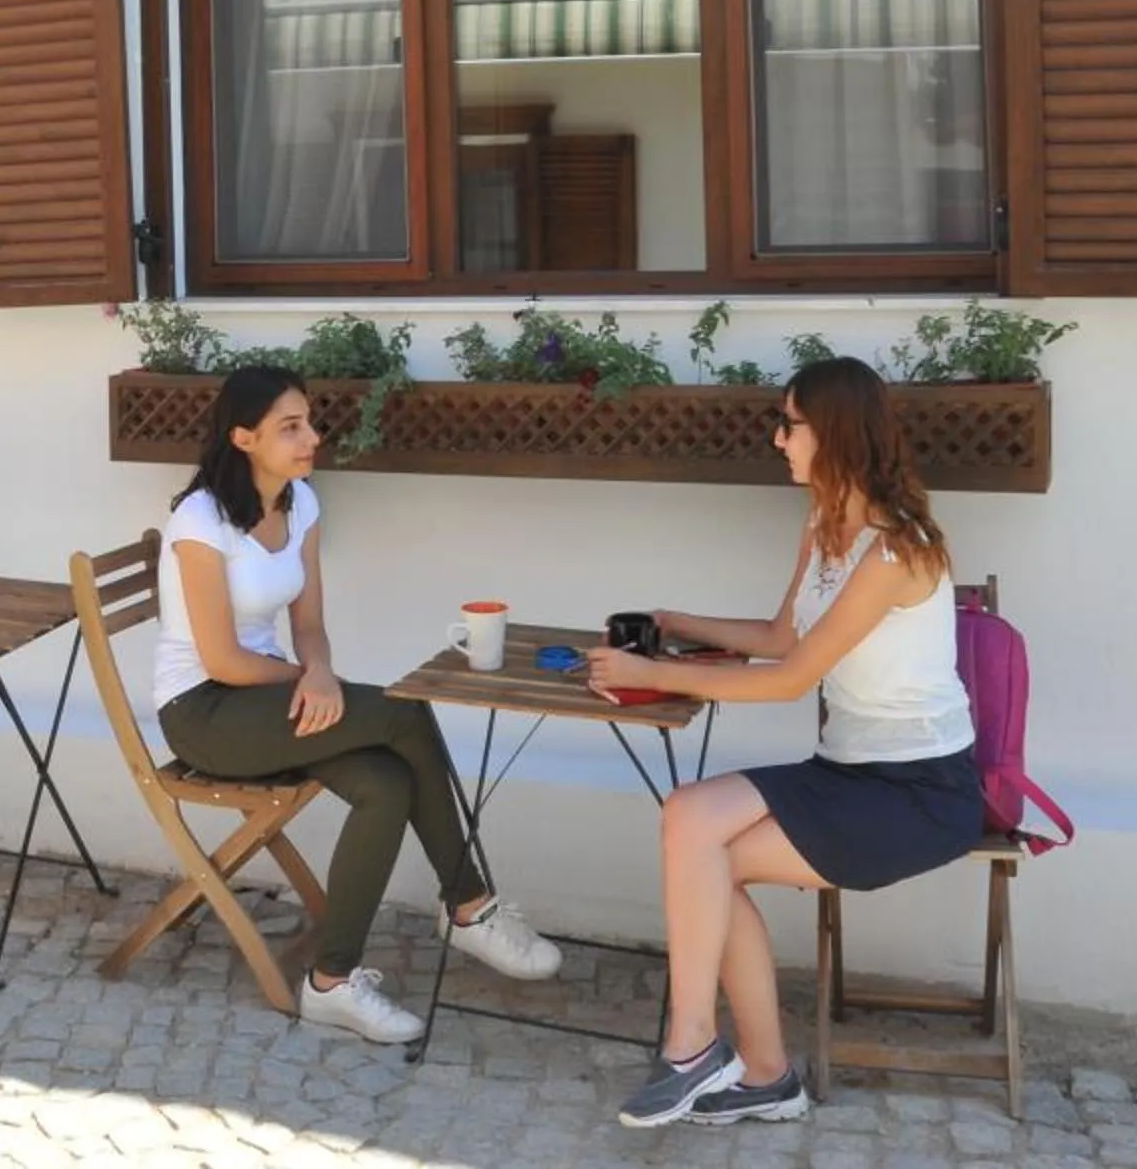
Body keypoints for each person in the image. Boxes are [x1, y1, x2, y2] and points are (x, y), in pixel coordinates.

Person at [583, 356, 983, 1128]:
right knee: (689, 816)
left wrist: (652, 670)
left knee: (708, 857)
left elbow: (791, 677)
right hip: (846, 771)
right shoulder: (826, 526)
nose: (777, 439)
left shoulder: (898, 550)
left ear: (832, 434)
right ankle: (741, 1068)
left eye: (789, 424)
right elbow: (781, 635)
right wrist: (678, 627)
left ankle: (709, 1055)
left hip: (919, 792)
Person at [153, 364, 563, 1042]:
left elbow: (309, 623)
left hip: (275, 698)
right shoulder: (199, 522)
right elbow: (221, 659)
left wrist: (317, 671)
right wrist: (306, 680)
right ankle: (468, 904)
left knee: (387, 781)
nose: (310, 436)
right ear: (244, 437)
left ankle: (330, 982)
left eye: (309, 421)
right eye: (290, 427)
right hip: (205, 713)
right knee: (405, 710)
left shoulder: (300, 503)